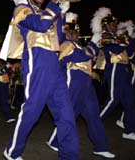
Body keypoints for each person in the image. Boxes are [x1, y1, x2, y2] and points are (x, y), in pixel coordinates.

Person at [0, 0, 79, 160]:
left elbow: (59, 38)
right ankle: (12, 151)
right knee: (31, 112)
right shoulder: (21, 10)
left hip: (55, 66)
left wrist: (61, 13)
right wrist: (54, 3)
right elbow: (41, 26)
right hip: (37, 66)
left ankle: (69, 156)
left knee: (66, 115)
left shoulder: (47, 12)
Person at [46, 12, 115, 158]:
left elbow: (91, 58)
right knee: (69, 115)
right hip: (73, 82)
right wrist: (93, 43)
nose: (75, 33)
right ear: (67, 33)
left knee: (93, 116)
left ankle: (100, 146)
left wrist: (95, 46)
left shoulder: (78, 45)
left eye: (76, 31)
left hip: (86, 83)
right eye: (72, 31)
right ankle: (54, 141)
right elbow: (81, 56)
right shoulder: (65, 44)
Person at [95, 7, 135, 141]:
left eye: (115, 24)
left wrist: (131, 38)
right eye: (112, 24)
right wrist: (128, 38)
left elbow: (128, 52)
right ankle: (95, 122)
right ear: (106, 25)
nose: (115, 26)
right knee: (113, 100)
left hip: (123, 70)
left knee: (129, 102)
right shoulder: (105, 37)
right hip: (114, 70)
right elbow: (117, 50)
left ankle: (130, 131)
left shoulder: (117, 37)